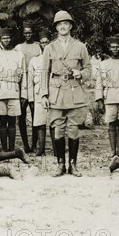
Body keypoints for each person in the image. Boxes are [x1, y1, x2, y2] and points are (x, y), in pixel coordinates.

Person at [40, 10, 91, 177]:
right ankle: (60, 164)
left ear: (70, 26)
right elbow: (44, 72)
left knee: (74, 129)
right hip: (56, 92)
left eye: (65, 24)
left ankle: (73, 165)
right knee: (58, 129)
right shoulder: (49, 48)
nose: (62, 27)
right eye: (59, 24)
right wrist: (44, 94)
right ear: (56, 27)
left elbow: (88, 69)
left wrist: (81, 74)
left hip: (74, 92)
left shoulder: (80, 46)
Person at [0, 28, 28, 151]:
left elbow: (23, 75)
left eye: (8, 38)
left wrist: (24, 93)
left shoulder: (19, 55)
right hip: (0, 90)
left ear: (11, 39)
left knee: (12, 121)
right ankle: (4, 148)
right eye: (4, 38)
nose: (6, 40)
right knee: (2, 121)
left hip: (14, 90)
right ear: (0, 40)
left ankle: (11, 148)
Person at [15, 21, 42, 151]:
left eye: (30, 32)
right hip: (21, 83)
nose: (28, 35)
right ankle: (25, 144)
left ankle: (34, 143)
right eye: (25, 33)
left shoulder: (38, 47)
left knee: (35, 112)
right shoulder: (18, 47)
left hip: (35, 81)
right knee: (21, 115)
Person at [27, 30, 51, 156]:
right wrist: (30, 99)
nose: (45, 45)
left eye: (47, 42)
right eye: (42, 43)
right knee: (40, 122)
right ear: (39, 44)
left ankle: (57, 149)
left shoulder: (54, 59)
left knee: (53, 121)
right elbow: (30, 81)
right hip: (38, 93)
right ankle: (40, 148)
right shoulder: (34, 60)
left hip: (53, 92)